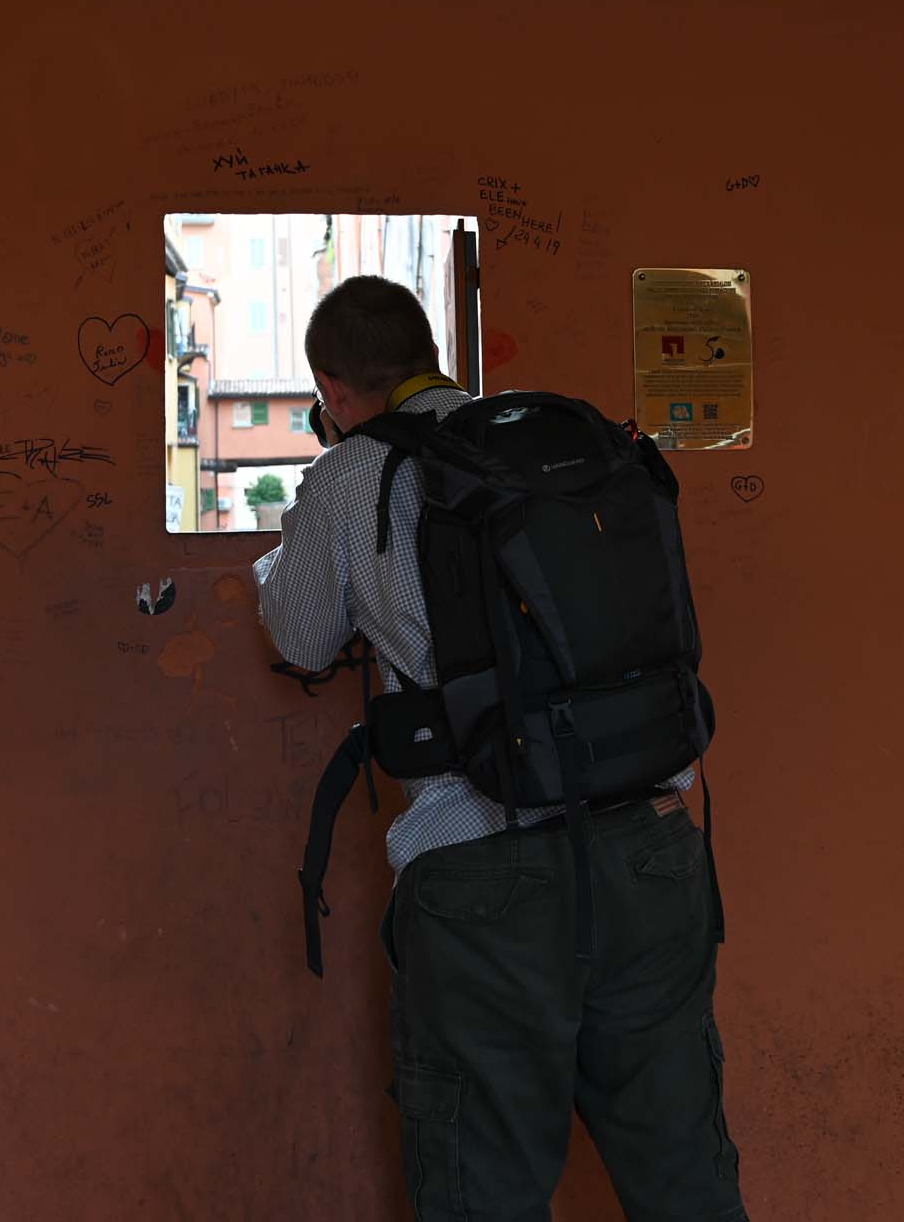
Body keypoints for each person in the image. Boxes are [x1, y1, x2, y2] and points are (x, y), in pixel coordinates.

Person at [253, 274, 749, 1222]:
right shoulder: (564, 450)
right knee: (685, 1173)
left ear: (333, 387)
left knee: (485, 1189)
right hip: (652, 842)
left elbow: (302, 633)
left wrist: (282, 549)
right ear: (432, 352)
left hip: (481, 871)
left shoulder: (354, 473)